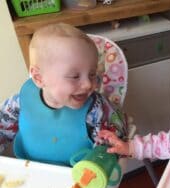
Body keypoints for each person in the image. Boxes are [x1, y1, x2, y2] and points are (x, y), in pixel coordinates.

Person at [0, 23, 127, 166]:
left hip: (78, 176)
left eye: (92, 74)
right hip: (29, 170)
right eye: (74, 76)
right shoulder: (21, 102)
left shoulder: (96, 110)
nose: (88, 84)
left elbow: (114, 142)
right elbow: (2, 128)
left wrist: (99, 158)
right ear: (39, 78)